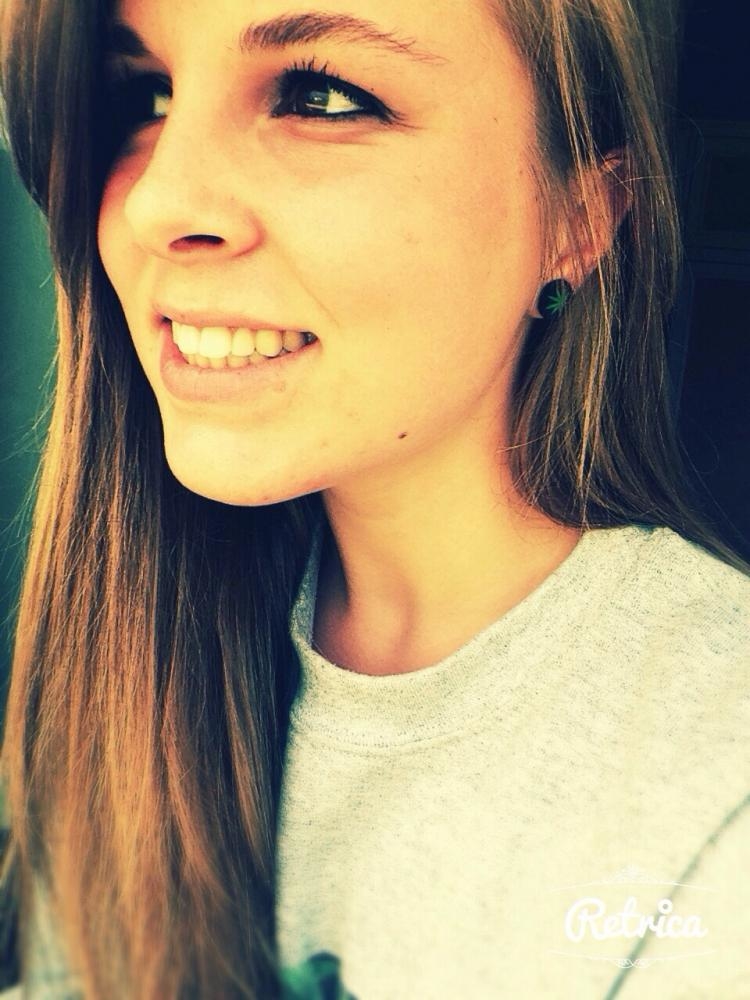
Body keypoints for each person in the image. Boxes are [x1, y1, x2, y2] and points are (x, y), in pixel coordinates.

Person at [0, 0, 748, 997]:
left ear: (580, 218)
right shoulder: (131, 663)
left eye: (321, 97)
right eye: (146, 96)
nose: (157, 204)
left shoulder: (717, 799)